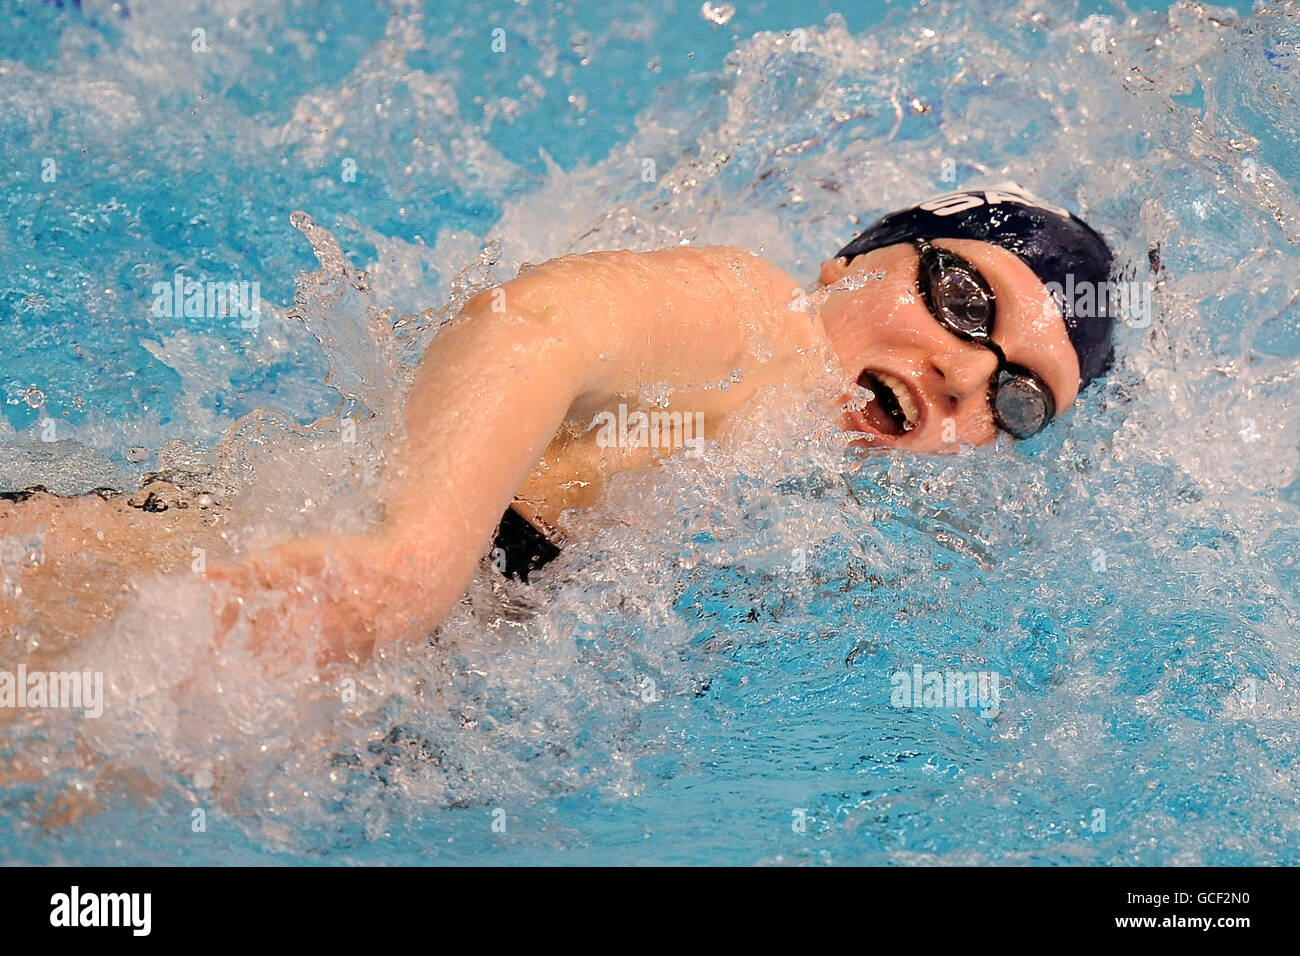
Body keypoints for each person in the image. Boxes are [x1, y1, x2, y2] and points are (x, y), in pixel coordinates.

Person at [0, 182, 1114, 668]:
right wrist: (414, 564)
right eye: (966, 299)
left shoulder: (819, 524)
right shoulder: (757, 319)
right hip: (160, 574)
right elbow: (533, 320)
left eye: (1018, 401)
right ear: (855, 258)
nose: (967, 372)